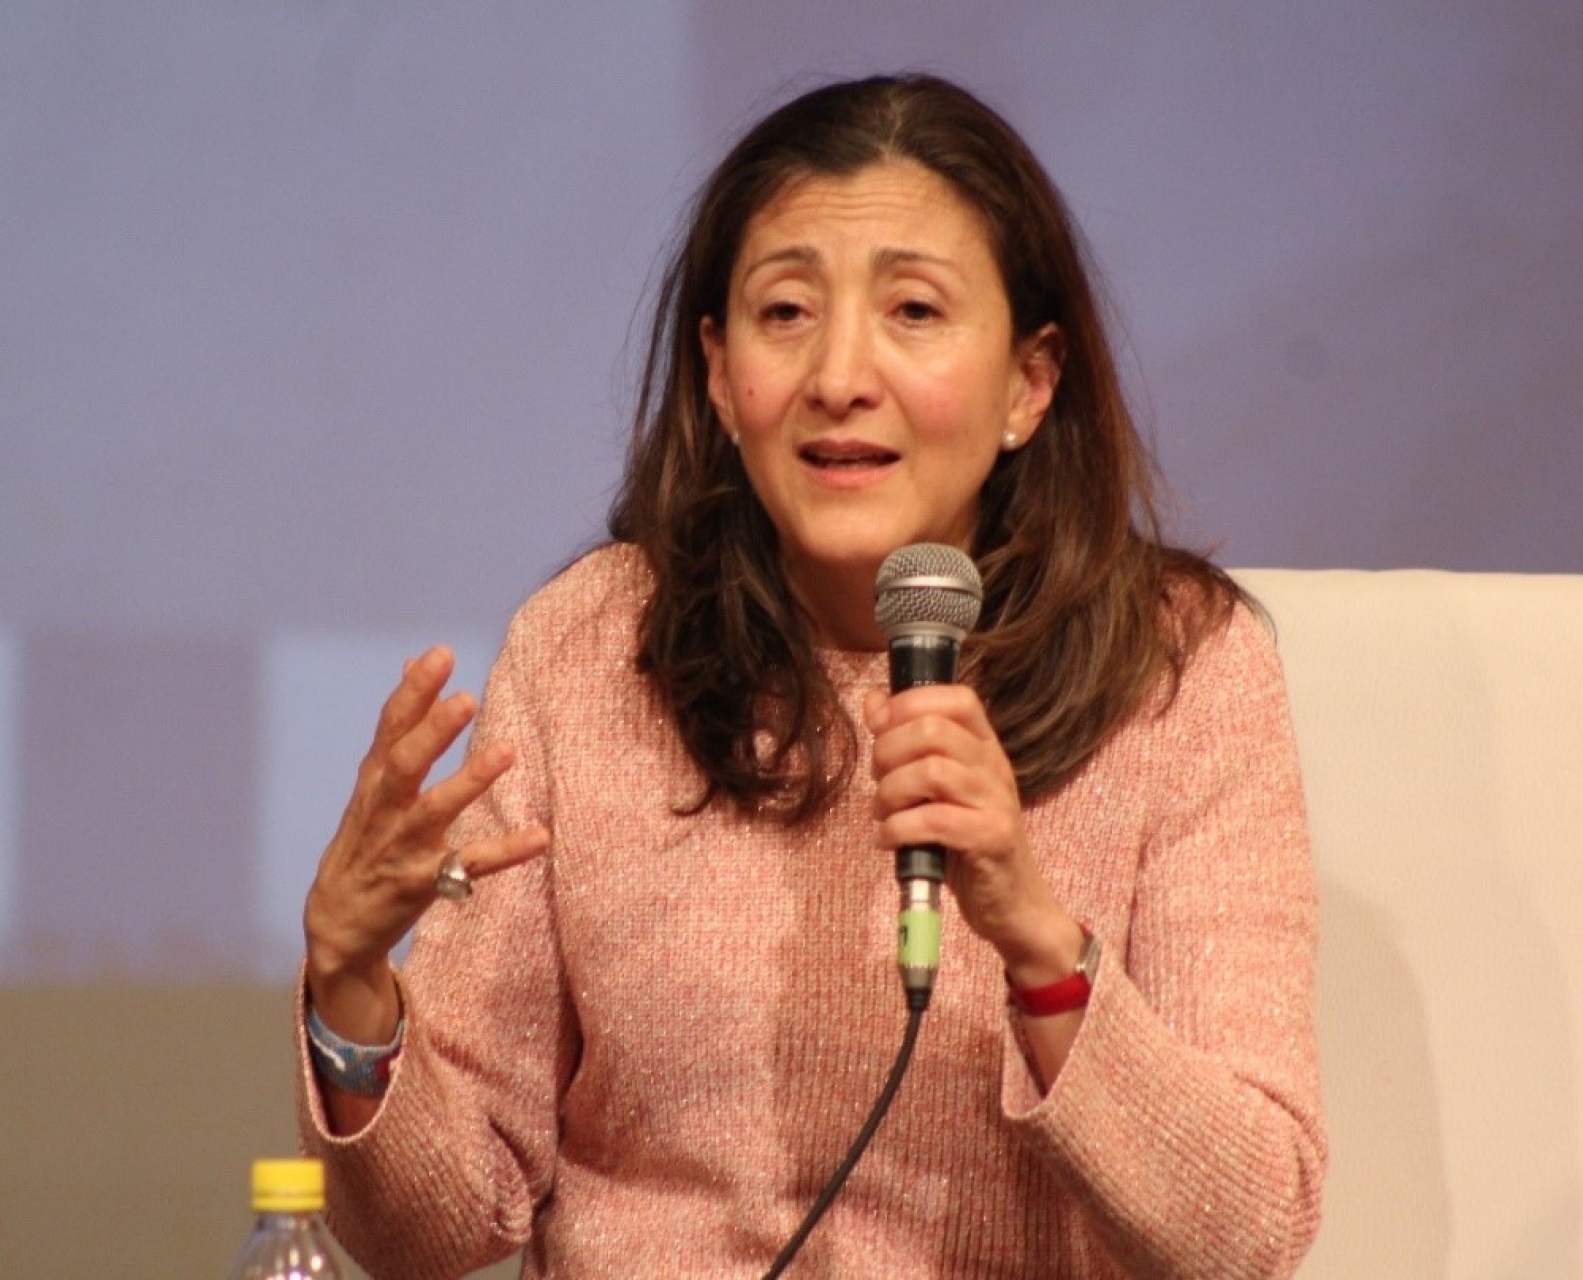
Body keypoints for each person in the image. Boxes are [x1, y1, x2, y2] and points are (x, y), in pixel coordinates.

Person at [295, 73, 1325, 1278]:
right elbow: (432, 1228)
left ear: (1029, 383)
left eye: (914, 311)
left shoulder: (1182, 669)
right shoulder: (591, 647)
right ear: (720, 373)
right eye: (786, 311)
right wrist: (350, 986)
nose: (839, 375)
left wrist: (1038, 939)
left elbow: (1245, 1230)